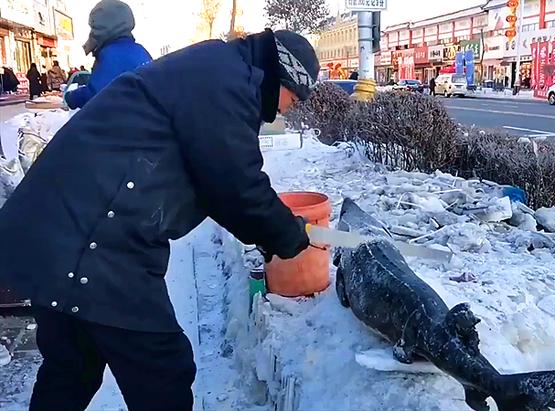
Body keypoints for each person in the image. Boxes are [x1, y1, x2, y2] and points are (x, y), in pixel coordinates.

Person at [0, 27, 319, 411]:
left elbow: (222, 177)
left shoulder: (219, 68)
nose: (288, 108)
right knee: (162, 372)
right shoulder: (225, 81)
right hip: (95, 237)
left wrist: (276, 232)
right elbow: (235, 184)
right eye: (294, 97)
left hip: (58, 226)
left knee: (72, 366)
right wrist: (289, 236)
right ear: (282, 74)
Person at [64, 0, 152, 110]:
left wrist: (71, 97)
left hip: (125, 122)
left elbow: (97, 94)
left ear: (102, 28)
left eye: (94, 28)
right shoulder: (140, 50)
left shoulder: (112, 54)